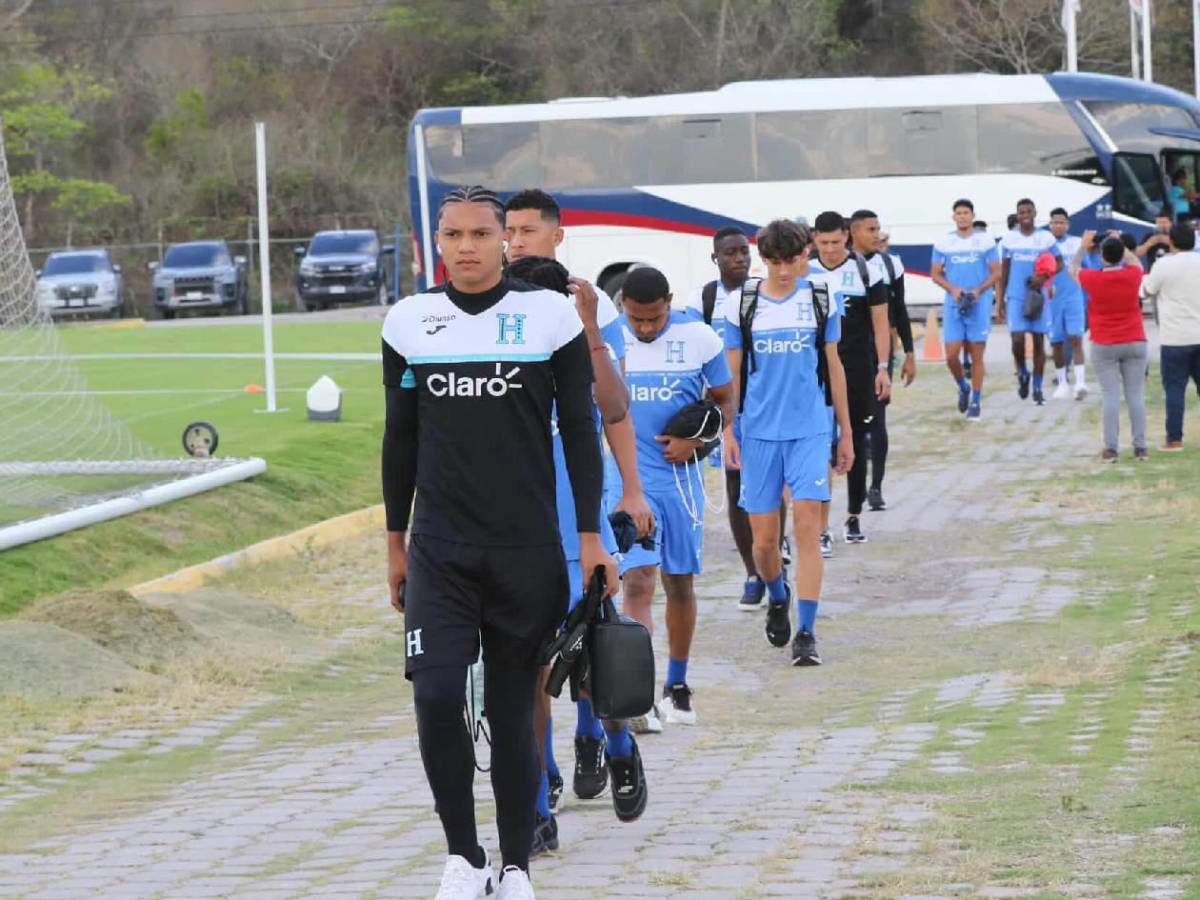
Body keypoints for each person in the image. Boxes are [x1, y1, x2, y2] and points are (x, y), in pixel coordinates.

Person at [382, 184, 619, 900]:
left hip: (527, 551)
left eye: (481, 234)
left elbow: (581, 429)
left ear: (503, 242)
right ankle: (463, 856)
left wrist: (590, 536)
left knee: (515, 711)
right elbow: (401, 439)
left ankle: (516, 866)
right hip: (439, 550)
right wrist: (395, 542)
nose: (466, 247)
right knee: (435, 694)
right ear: (438, 242)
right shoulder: (409, 321)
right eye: (452, 234)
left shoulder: (548, 316)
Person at [503, 190, 654, 845]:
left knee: (593, 657)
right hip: (518, 533)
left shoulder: (584, 322)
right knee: (528, 676)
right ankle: (538, 799)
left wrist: (632, 491)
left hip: (580, 528)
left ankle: (615, 743)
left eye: (524, 230)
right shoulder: (494, 331)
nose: (513, 240)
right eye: (508, 230)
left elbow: (615, 411)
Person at [723, 218, 853, 666]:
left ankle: (807, 632)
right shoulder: (742, 303)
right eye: (773, 262)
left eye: (791, 261)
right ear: (763, 260)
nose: (782, 271)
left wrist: (844, 432)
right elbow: (732, 373)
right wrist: (728, 430)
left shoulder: (820, 297)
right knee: (764, 543)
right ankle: (778, 595)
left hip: (810, 428)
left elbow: (834, 366)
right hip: (758, 432)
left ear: (805, 255)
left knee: (807, 527)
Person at [619, 266, 735, 723]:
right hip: (627, 484)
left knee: (679, 583)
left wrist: (699, 443)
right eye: (636, 319)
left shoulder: (700, 338)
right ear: (623, 307)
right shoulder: (608, 341)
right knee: (637, 580)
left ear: (669, 302)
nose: (646, 328)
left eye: (654, 318)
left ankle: (678, 685)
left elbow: (726, 402)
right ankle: (638, 695)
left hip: (682, 483)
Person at [685, 227, 789, 610]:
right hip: (727, 408)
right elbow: (692, 354)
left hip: (766, 406)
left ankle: (774, 558)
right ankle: (752, 573)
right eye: (730, 253)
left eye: (744, 251)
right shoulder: (703, 300)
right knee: (735, 487)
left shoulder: (764, 294)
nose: (739, 259)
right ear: (716, 259)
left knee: (772, 485)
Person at [809, 211, 891, 547]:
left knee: (855, 441)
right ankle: (821, 528)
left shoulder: (866, 271)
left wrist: (883, 367)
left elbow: (881, 323)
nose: (830, 249)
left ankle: (853, 516)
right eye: (823, 243)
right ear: (814, 239)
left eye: (835, 242)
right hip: (817, 372)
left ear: (846, 236)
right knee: (820, 447)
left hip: (858, 370)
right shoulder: (805, 272)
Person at [853, 218, 915, 512]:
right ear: (853, 232)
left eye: (878, 230)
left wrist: (910, 353)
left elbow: (900, 311)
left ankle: (875, 486)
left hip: (879, 353)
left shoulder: (890, 265)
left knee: (878, 419)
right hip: (846, 354)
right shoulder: (837, 266)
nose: (877, 235)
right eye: (871, 230)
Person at [1072, 233, 1147, 461]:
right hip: (1134, 338)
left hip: (1104, 342)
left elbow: (1072, 268)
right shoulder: (1133, 274)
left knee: (1110, 395)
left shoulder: (1093, 278)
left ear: (1102, 257)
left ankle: (1112, 447)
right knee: (1135, 395)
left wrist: (1083, 247)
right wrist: (1120, 244)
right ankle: (1140, 446)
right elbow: (1135, 261)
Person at [930, 198, 1001, 421]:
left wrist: (979, 290)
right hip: (954, 305)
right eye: (958, 213)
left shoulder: (985, 241)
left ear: (972, 215)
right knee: (951, 356)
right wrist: (953, 289)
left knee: (977, 355)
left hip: (979, 304)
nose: (962, 216)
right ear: (954, 217)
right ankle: (963, 386)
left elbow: (997, 272)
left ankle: (976, 402)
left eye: (966, 213)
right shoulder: (944, 242)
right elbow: (935, 274)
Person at [1140, 223, 1200, 451]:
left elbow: (1146, 291)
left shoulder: (1163, 264)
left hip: (1175, 338)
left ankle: (1174, 439)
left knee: (1175, 390)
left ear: (1171, 241)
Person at [998, 198, 1062, 405]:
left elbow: (1059, 262)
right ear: (1017, 216)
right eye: (1021, 212)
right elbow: (1004, 271)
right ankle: (1023, 372)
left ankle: (1037, 387)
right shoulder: (1009, 239)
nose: (1025, 215)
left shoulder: (1045, 238)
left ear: (1035, 214)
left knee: (1038, 342)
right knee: (1017, 339)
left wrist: (1043, 278)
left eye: (1028, 211)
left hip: (1037, 295)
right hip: (1016, 296)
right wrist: (1000, 301)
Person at [1047, 208, 1089, 401]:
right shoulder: (1044, 244)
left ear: (1068, 224)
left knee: (1075, 339)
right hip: (1052, 300)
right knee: (1056, 342)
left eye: (1062, 222)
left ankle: (1080, 383)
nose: (1058, 225)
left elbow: (1088, 269)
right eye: (1055, 222)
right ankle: (1062, 383)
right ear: (1050, 225)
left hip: (1074, 298)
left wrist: (1088, 296)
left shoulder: (1077, 243)